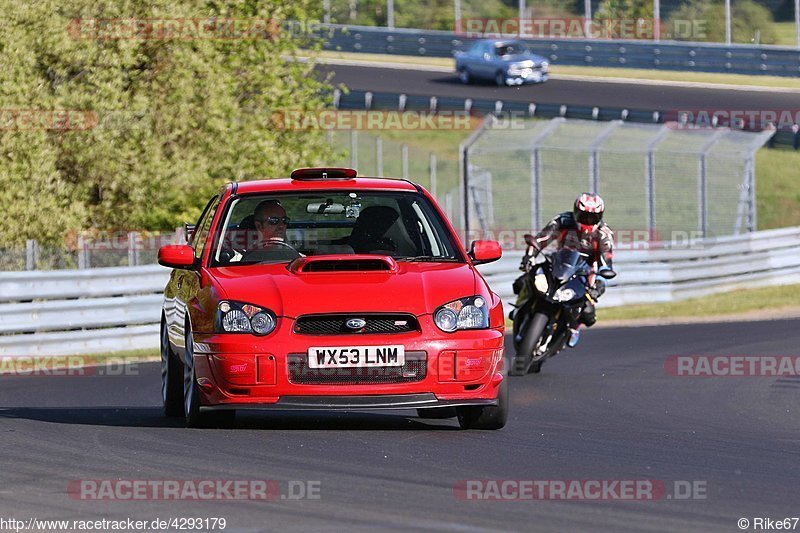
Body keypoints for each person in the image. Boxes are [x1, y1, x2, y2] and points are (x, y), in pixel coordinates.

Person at [516, 193, 614, 347]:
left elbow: (606, 262)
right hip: (559, 263)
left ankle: (574, 327)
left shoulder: (604, 234)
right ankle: (521, 306)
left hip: (584, 272)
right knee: (525, 279)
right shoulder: (563, 220)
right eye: (584, 216)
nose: (588, 221)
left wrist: (600, 283)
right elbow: (542, 239)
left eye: (592, 217)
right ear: (576, 212)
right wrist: (530, 256)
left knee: (588, 313)